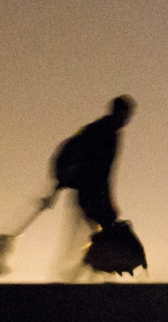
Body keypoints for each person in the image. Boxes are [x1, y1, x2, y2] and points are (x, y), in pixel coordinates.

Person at [52, 96, 135, 232]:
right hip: (87, 187)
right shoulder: (106, 133)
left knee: (100, 229)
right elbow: (101, 173)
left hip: (82, 186)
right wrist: (108, 206)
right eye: (126, 115)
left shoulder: (97, 128)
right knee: (106, 230)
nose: (126, 120)